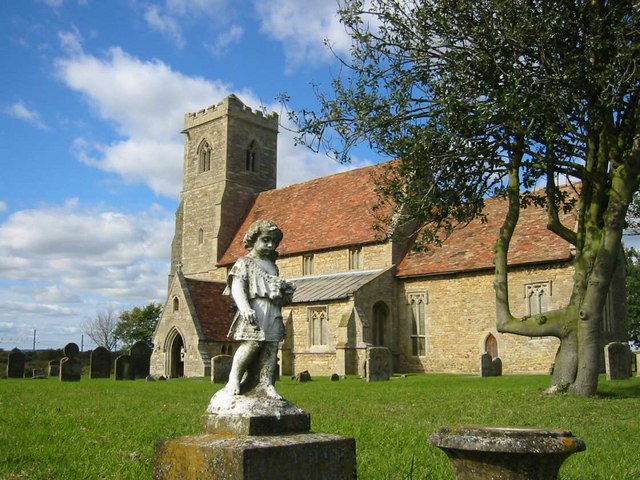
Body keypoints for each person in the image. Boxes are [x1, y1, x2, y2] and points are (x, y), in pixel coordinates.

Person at [224, 220, 296, 399]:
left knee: (271, 347)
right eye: (265, 240)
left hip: (272, 311)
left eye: (273, 241)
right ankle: (234, 378)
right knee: (251, 344)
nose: (270, 245)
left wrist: (284, 290)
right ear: (253, 239)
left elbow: (273, 290)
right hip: (254, 310)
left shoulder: (273, 266)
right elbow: (237, 287)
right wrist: (244, 308)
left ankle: (267, 383)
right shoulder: (244, 262)